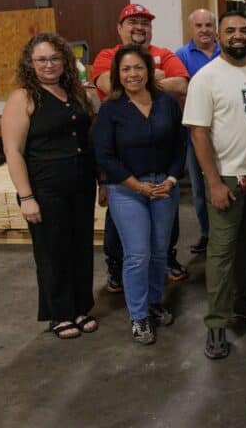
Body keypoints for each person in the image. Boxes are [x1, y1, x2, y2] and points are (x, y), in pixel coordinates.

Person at [183, 10, 246, 360]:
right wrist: (212, 182)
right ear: (219, 35)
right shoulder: (206, 78)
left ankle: (241, 298)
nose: (238, 35)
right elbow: (198, 133)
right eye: (230, 31)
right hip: (227, 177)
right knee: (222, 251)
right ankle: (216, 322)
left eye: (244, 30)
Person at [2, 33, 98, 340]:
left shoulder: (75, 92)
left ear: (65, 62)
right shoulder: (24, 97)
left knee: (80, 246)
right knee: (52, 251)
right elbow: (13, 151)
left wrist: (102, 180)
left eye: (55, 58)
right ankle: (59, 313)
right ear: (30, 63)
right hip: (46, 188)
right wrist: (26, 196)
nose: (49, 65)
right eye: (41, 59)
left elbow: (88, 139)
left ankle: (81, 306)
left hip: (81, 184)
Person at [92, 3, 190, 290]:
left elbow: (182, 85)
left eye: (145, 23)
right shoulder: (106, 55)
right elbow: (112, 86)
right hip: (120, 153)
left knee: (165, 219)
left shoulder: (166, 54)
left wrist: (145, 80)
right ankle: (116, 265)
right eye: (132, 22)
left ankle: (166, 259)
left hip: (158, 146)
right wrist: (154, 76)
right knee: (119, 217)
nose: (139, 27)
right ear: (120, 28)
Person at [93, 45, 185, 345]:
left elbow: (179, 145)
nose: (133, 74)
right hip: (126, 190)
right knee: (137, 254)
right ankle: (138, 315)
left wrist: (171, 179)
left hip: (164, 187)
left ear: (149, 70)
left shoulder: (167, 103)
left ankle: (154, 301)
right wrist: (137, 186)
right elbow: (105, 156)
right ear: (118, 75)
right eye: (126, 69)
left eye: (138, 68)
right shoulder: (111, 109)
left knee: (159, 250)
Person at [175, 9, 220, 255]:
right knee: (200, 189)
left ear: (215, 27)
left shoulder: (226, 53)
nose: (204, 30)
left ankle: (226, 234)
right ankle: (206, 233)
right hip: (196, 134)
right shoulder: (181, 56)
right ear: (191, 28)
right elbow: (179, 94)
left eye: (208, 24)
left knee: (225, 184)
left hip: (226, 134)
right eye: (198, 25)